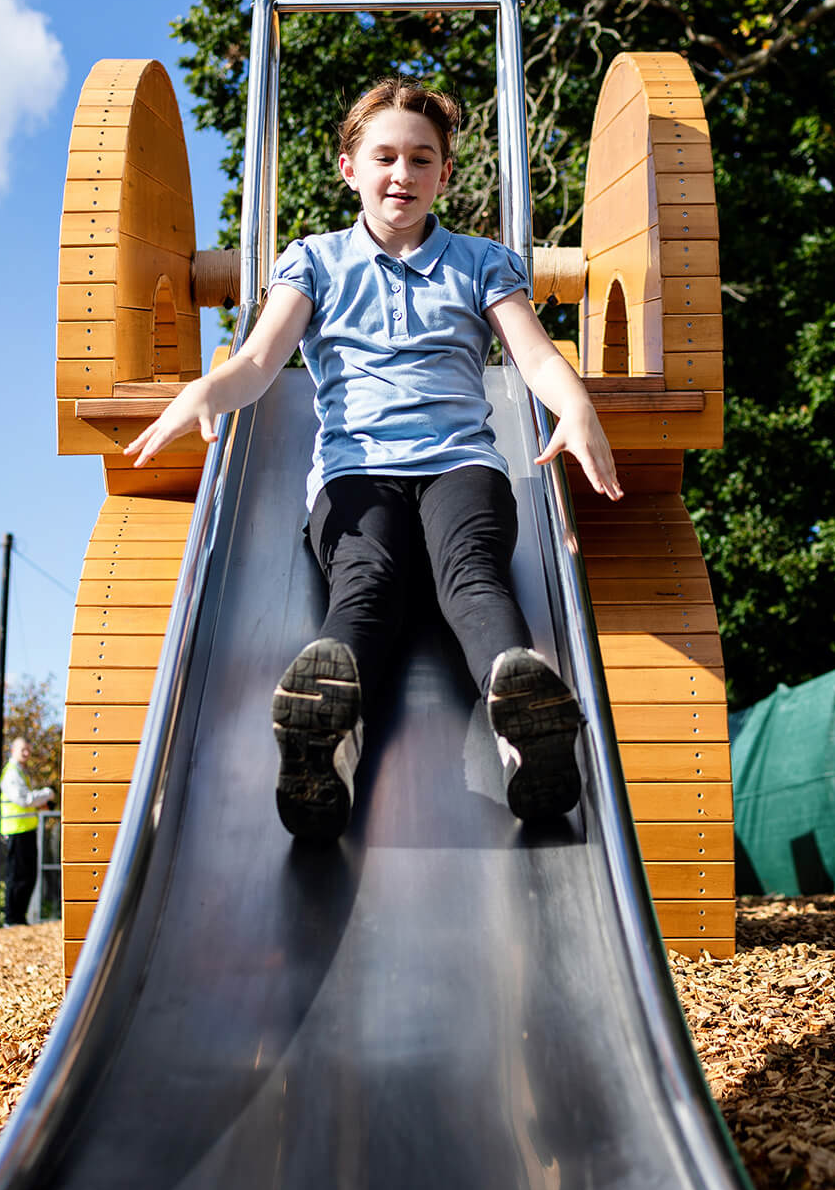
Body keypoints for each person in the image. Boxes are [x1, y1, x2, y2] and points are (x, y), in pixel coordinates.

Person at [125, 77, 623, 840]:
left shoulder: (481, 262)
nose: (403, 174)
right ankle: (328, 740)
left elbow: (536, 357)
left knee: (473, 574)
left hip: (461, 465)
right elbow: (261, 360)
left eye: (422, 159)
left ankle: (528, 732)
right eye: (384, 156)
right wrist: (208, 390)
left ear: (445, 175)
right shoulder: (315, 262)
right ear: (349, 168)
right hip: (355, 475)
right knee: (367, 582)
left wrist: (577, 403)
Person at [1, 736, 55, 924]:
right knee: (17, 876)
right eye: (22, 749)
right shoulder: (12, 773)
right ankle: (12, 918)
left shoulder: (22, 773)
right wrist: (47, 794)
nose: (26, 753)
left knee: (27, 875)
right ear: (13, 750)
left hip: (26, 830)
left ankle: (18, 917)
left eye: (28, 750)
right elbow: (24, 800)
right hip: (17, 831)